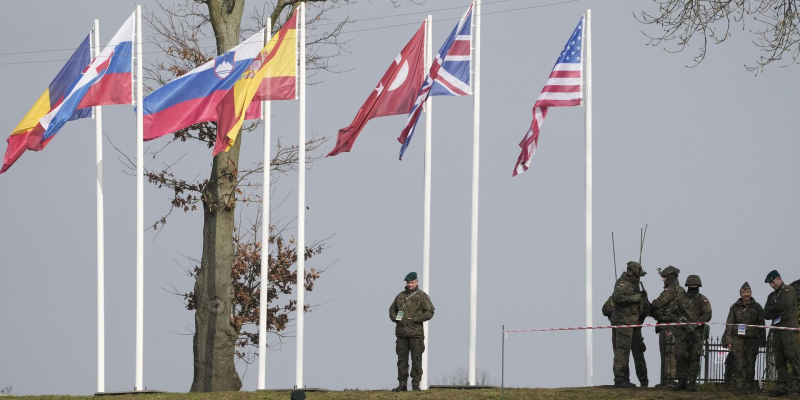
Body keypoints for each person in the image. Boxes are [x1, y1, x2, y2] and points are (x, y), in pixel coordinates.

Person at [389, 272, 435, 392]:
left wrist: (416, 319)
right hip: (401, 334)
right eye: (408, 283)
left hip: (416, 334)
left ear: (417, 282)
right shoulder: (400, 296)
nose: (410, 285)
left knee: (416, 360)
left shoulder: (422, 296)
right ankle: (402, 385)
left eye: (412, 282)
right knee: (402, 361)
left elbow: (430, 311)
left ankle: (415, 385)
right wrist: (395, 318)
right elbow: (392, 309)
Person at [602, 277, 649, 388]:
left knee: (638, 356)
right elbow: (605, 309)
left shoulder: (640, 296)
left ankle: (644, 381)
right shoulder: (615, 298)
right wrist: (619, 312)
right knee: (622, 354)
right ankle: (623, 378)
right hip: (621, 329)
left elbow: (645, 311)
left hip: (635, 329)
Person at [722, 282, 766, 395]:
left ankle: (749, 386)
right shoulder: (734, 307)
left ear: (750, 293)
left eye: (748, 292)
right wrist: (728, 340)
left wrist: (762, 340)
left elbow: (761, 324)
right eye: (743, 292)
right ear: (740, 294)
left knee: (751, 363)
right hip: (738, 338)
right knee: (738, 363)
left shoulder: (757, 307)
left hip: (752, 339)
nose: (746, 294)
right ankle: (739, 387)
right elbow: (729, 324)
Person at [763, 270, 800, 397]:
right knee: (779, 359)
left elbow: (784, 305)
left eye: (773, 282)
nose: (772, 285)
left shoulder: (789, 290)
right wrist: (776, 310)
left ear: (779, 279)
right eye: (770, 284)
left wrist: (775, 309)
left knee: (793, 356)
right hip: (777, 331)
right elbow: (766, 313)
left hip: (788, 329)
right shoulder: (771, 296)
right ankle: (782, 385)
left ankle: (798, 381)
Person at [672, 274, 712, 392]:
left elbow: (707, 314)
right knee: (680, 355)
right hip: (681, 333)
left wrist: (695, 325)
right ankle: (681, 380)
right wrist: (681, 322)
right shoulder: (680, 298)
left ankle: (691, 382)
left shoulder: (702, 299)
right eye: (691, 285)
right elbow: (672, 312)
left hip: (696, 333)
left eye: (695, 285)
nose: (693, 287)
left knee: (695, 357)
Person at [609, 261, 646, 388]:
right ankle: (620, 378)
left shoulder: (632, 284)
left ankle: (624, 378)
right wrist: (634, 298)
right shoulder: (623, 284)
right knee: (622, 351)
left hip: (630, 322)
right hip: (623, 321)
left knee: (625, 351)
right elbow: (616, 298)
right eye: (636, 276)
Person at [650, 265, 683, 387]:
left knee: (669, 353)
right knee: (667, 353)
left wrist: (653, 304)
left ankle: (669, 379)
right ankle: (667, 378)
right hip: (668, 326)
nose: (663, 280)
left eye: (664, 277)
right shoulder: (677, 290)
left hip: (670, 326)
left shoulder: (672, 290)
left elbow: (658, 303)